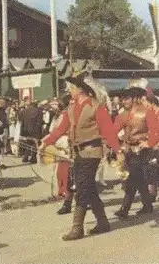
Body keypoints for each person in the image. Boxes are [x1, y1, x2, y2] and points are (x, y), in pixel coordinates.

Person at [41, 72, 122, 241]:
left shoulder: (95, 106)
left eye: (71, 88)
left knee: (83, 188)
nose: (69, 90)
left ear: (79, 89)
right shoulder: (71, 108)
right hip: (77, 153)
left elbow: (107, 130)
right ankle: (103, 222)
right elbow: (60, 129)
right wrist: (46, 141)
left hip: (92, 152)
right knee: (89, 187)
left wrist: (118, 151)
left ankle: (77, 228)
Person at [113, 87, 158, 219]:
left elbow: (156, 130)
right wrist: (116, 145)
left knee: (132, 178)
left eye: (126, 98)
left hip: (142, 151)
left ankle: (125, 209)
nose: (124, 101)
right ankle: (147, 205)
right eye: (123, 99)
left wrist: (149, 143)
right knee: (138, 179)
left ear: (134, 99)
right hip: (128, 151)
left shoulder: (146, 112)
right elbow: (113, 130)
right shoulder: (123, 115)